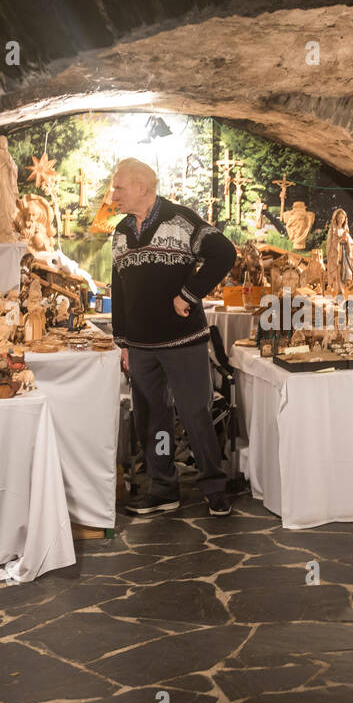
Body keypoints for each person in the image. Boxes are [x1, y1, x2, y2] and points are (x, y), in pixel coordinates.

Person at [110, 158, 238, 517]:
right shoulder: (121, 231)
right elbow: (117, 289)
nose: (114, 194)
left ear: (142, 188)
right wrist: (123, 342)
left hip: (183, 342)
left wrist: (189, 293)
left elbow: (223, 253)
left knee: (196, 414)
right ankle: (164, 487)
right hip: (141, 347)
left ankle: (214, 486)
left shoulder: (182, 220)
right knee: (153, 421)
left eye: (119, 187)